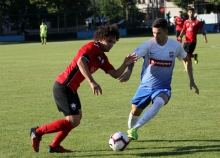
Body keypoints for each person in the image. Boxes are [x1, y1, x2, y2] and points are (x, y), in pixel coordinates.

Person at [29, 25, 137, 153]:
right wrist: (92, 82)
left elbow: (114, 74)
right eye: (109, 41)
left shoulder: (102, 57)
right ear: (101, 38)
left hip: (72, 89)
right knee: (73, 120)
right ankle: (37, 132)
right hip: (64, 85)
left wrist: (125, 63)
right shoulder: (92, 47)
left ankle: (55, 146)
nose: (111, 45)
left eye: (114, 42)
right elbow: (81, 62)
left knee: (77, 118)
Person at [117, 18, 199, 141]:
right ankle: (130, 131)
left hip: (163, 87)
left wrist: (191, 80)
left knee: (159, 102)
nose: (155, 36)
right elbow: (131, 58)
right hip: (145, 85)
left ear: (166, 31)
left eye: (159, 33)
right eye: (153, 32)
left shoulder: (175, 46)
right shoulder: (148, 45)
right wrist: (129, 70)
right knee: (134, 111)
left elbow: (187, 60)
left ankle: (135, 128)